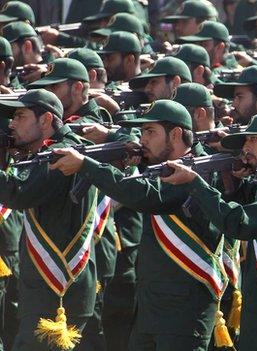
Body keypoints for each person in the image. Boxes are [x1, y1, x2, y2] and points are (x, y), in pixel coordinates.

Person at [49, 100, 225, 350]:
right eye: (142, 132)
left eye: (150, 132)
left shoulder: (199, 170)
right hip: (150, 306)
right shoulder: (160, 167)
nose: (143, 140)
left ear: (175, 134)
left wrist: (86, 165)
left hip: (186, 309)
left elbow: (144, 195)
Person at [157, 113, 257, 350]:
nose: (246, 149)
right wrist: (230, 178)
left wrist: (196, 183)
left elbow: (239, 222)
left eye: (253, 140)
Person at [0, 89, 97, 351]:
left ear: (45, 121)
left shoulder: (60, 155)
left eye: (20, 116)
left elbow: (18, 194)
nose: (12, 124)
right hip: (48, 288)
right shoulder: (55, 150)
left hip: (56, 288)